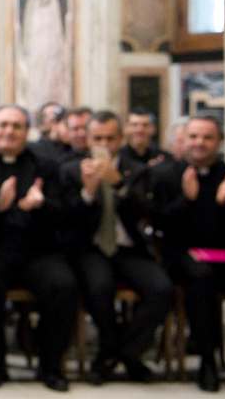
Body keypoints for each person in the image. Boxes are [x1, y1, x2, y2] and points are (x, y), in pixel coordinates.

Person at [0, 105, 77, 391]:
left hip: (37, 250)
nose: (9, 131)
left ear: (27, 132)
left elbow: (65, 211)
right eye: (3, 125)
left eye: (17, 126)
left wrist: (42, 204)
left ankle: (51, 367)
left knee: (64, 284)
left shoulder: (45, 165)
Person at [153, 115, 225, 394]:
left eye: (207, 137)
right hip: (185, 254)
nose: (199, 143)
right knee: (200, 277)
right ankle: (207, 361)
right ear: (184, 140)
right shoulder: (167, 174)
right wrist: (187, 199)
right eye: (193, 137)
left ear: (219, 142)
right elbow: (161, 223)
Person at [59, 111, 171, 384]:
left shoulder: (137, 169)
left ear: (121, 139)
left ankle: (125, 352)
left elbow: (149, 212)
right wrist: (87, 193)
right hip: (91, 248)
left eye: (110, 138)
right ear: (87, 139)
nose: (104, 144)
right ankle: (108, 351)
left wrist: (119, 184)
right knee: (99, 288)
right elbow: (66, 222)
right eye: (97, 138)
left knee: (161, 289)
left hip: (129, 247)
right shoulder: (70, 169)